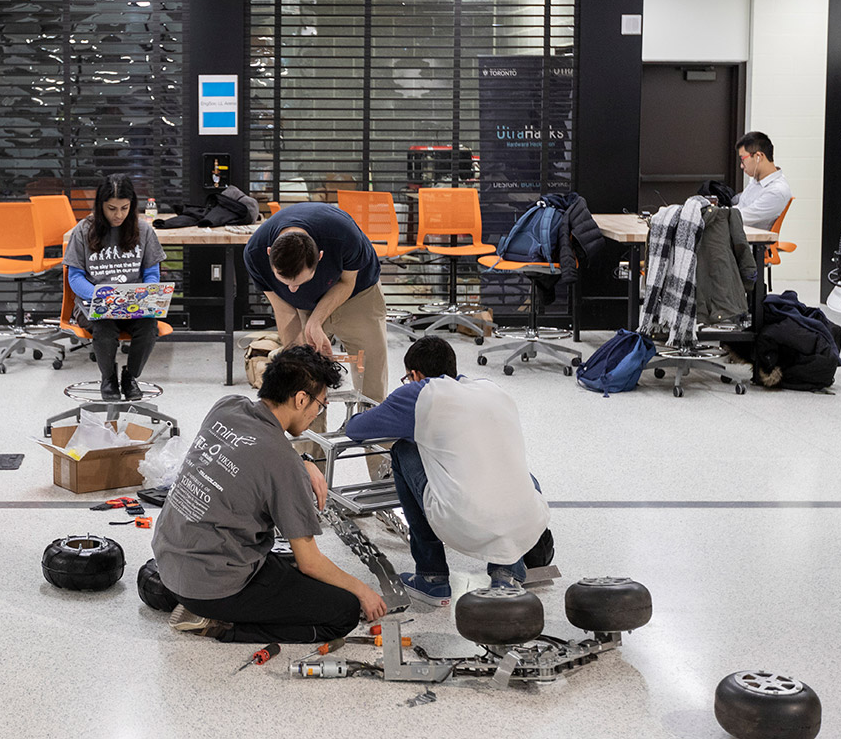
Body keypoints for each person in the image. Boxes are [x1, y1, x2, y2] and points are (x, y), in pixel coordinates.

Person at [151, 345, 388, 642]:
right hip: (214, 584)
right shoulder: (282, 463)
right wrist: (362, 590)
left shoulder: (227, 405)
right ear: (301, 398)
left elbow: (257, 444)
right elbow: (310, 562)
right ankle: (219, 625)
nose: (317, 413)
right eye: (321, 405)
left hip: (168, 559)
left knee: (281, 562)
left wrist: (303, 463)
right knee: (343, 610)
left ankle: (186, 599)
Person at [344, 335, 549, 607]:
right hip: (529, 521)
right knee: (501, 459)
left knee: (403, 449)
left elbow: (356, 429)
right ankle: (508, 572)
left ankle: (432, 578)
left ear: (415, 374)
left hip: (465, 522)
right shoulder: (491, 389)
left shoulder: (417, 394)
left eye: (407, 377)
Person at [243, 201, 390, 410]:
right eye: (285, 283)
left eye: (299, 282)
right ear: (269, 253)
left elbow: (347, 283)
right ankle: (308, 441)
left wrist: (315, 322)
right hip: (305, 305)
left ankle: (373, 441)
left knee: (372, 384)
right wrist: (297, 358)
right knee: (303, 383)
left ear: (320, 257)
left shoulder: (343, 235)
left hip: (358, 293)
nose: (292, 290)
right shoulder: (254, 254)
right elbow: (284, 310)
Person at [63, 174, 166, 401]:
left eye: (124, 208)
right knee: (104, 327)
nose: (118, 215)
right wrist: (100, 296)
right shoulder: (83, 230)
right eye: (111, 208)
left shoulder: (143, 230)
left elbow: (151, 273)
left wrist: (144, 294)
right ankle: (108, 379)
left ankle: (130, 377)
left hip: (132, 303)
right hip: (95, 303)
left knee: (149, 327)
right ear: (100, 206)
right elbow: (75, 277)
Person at [733, 131, 791, 231]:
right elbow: (739, 209)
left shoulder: (777, 191)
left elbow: (741, 217)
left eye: (743, 159)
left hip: (749, 244)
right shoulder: (757, 181)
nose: (741, 166)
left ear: (758, 157)